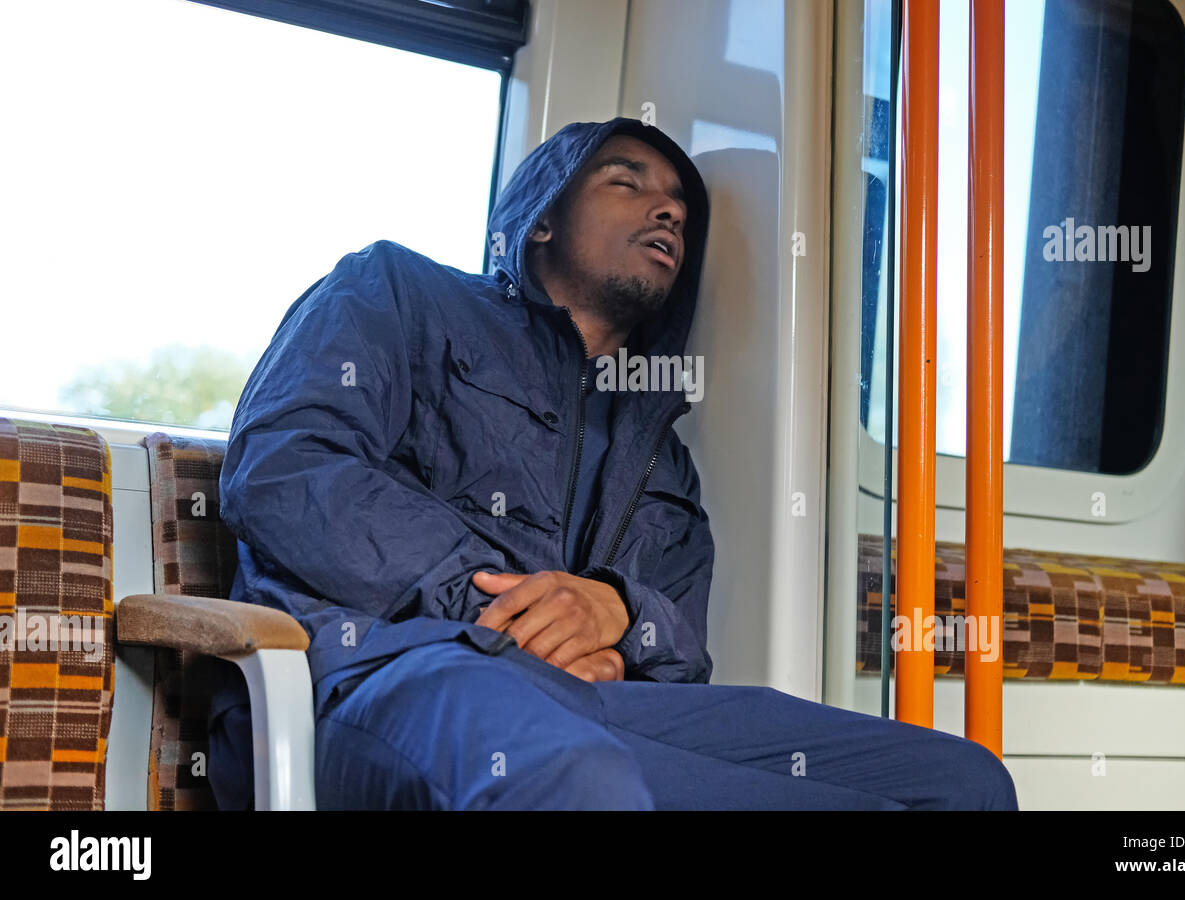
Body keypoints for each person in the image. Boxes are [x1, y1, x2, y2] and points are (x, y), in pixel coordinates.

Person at [208, 115, 1018, 810]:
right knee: (574, 777)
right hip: (381, 676)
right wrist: (516, 613)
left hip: (595, 707)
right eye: (625, 181)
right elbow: (287, 469)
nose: (666, 206)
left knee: (957, 782)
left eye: (677, 205)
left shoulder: (661, 450)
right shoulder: (399, 292)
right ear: (542, 219)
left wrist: (620, 618)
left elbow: (683, 645)